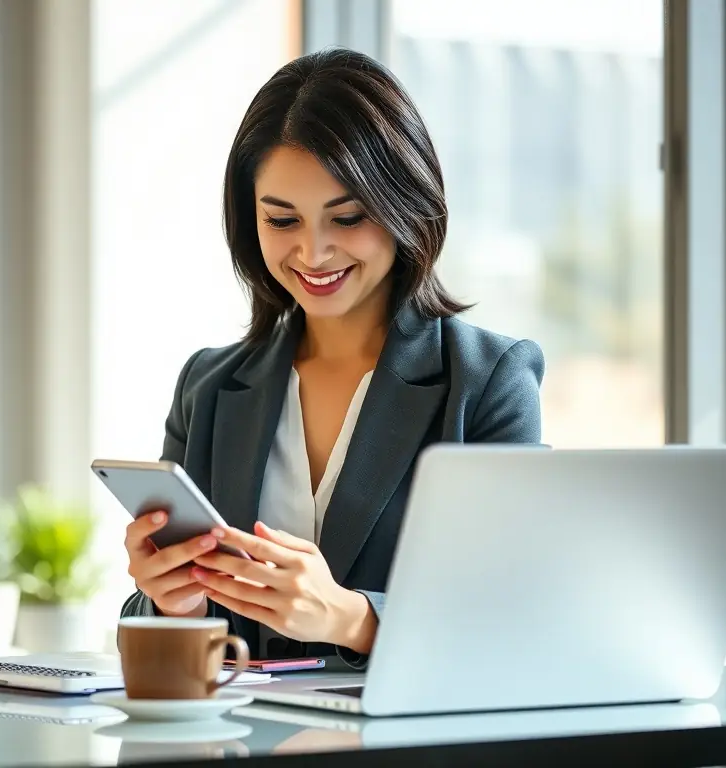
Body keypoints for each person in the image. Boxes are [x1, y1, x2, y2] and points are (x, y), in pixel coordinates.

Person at [120, 47, 545, 667]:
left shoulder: (486, 383)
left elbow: (521, 615)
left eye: (346, 217)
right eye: (281, 219)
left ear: (406, 206)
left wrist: (353, 618)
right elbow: (160, 636)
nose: (313, 253)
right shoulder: (207, 387)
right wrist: (167, 604)